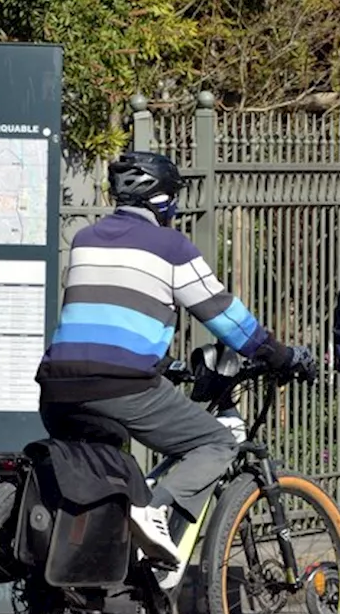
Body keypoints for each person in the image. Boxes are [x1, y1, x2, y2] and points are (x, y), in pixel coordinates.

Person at [35, 150, 316, 568]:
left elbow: (103, 317)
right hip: (121, 386)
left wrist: (163, 363)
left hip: (56, 387)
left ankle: (106, 582)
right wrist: (280, 354)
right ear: (164, 201)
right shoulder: (170, 246)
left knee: (108, 473)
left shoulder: (85, 239)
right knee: (216, 442)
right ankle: (156, 511)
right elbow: (225, 317)